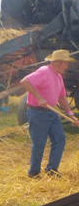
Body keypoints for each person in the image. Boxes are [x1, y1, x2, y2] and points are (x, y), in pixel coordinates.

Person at [20, 49, 79, 178]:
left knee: (59, 139)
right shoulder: (44, 71)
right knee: (39, 143)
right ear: (58, 62)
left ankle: (52, 169)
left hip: (52, 113)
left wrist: (70, 114)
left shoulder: (58, 76)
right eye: (66, 63)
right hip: (37, 113)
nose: (67, 66)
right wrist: (39, 97)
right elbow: (25, 81)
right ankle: (33, 172)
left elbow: (62, 97)